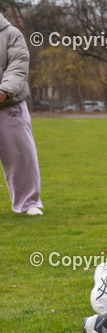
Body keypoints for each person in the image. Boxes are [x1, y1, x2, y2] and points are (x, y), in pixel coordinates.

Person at [0, 11, 43, 215]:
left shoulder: (11, 34)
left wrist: (3, 91)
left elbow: (18, 67)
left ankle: (28, 203)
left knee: (20, 157)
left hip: (8, 105)